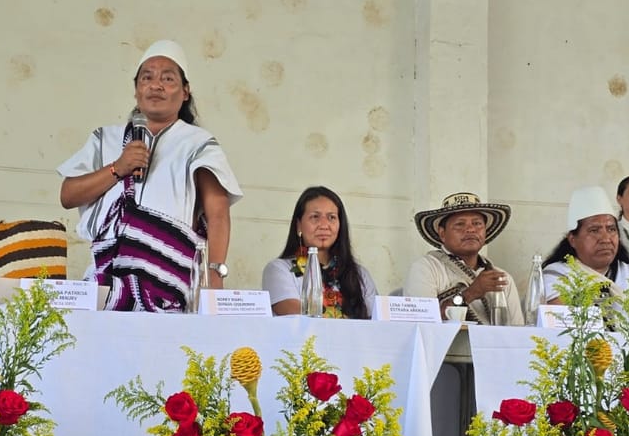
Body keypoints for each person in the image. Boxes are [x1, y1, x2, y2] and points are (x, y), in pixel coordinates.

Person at [56, 39, 242, 311]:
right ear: (136, 90)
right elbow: (68, 195)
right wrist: (118, 168)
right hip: (106, 283)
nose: (156, 85)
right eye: (147, 77)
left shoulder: (198, 144)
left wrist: (214, 278)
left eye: (168, 79)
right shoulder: (105, 138)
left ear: (185, 92)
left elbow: (218, 214)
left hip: (169, 285)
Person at [543, 186, 629, 326]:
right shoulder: (557, 275)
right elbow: (562, 322)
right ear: (573, 239)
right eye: (594, 230)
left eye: (611, 229)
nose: (606, 239)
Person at [404, 192, 524, 325]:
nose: (471, 229)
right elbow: (420, 322)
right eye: (460, 224)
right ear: (442, 234)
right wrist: (471, 293)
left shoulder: (502, 278)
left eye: (477, 223)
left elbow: (517, 329)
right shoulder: (426, 268)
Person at [261, 186, 376, 318]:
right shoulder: (279, 269)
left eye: (331, 217)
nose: (324, 225)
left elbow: (378, 321)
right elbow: (300, 317)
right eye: (315, 217)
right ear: (299, 225)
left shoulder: (360, 275)